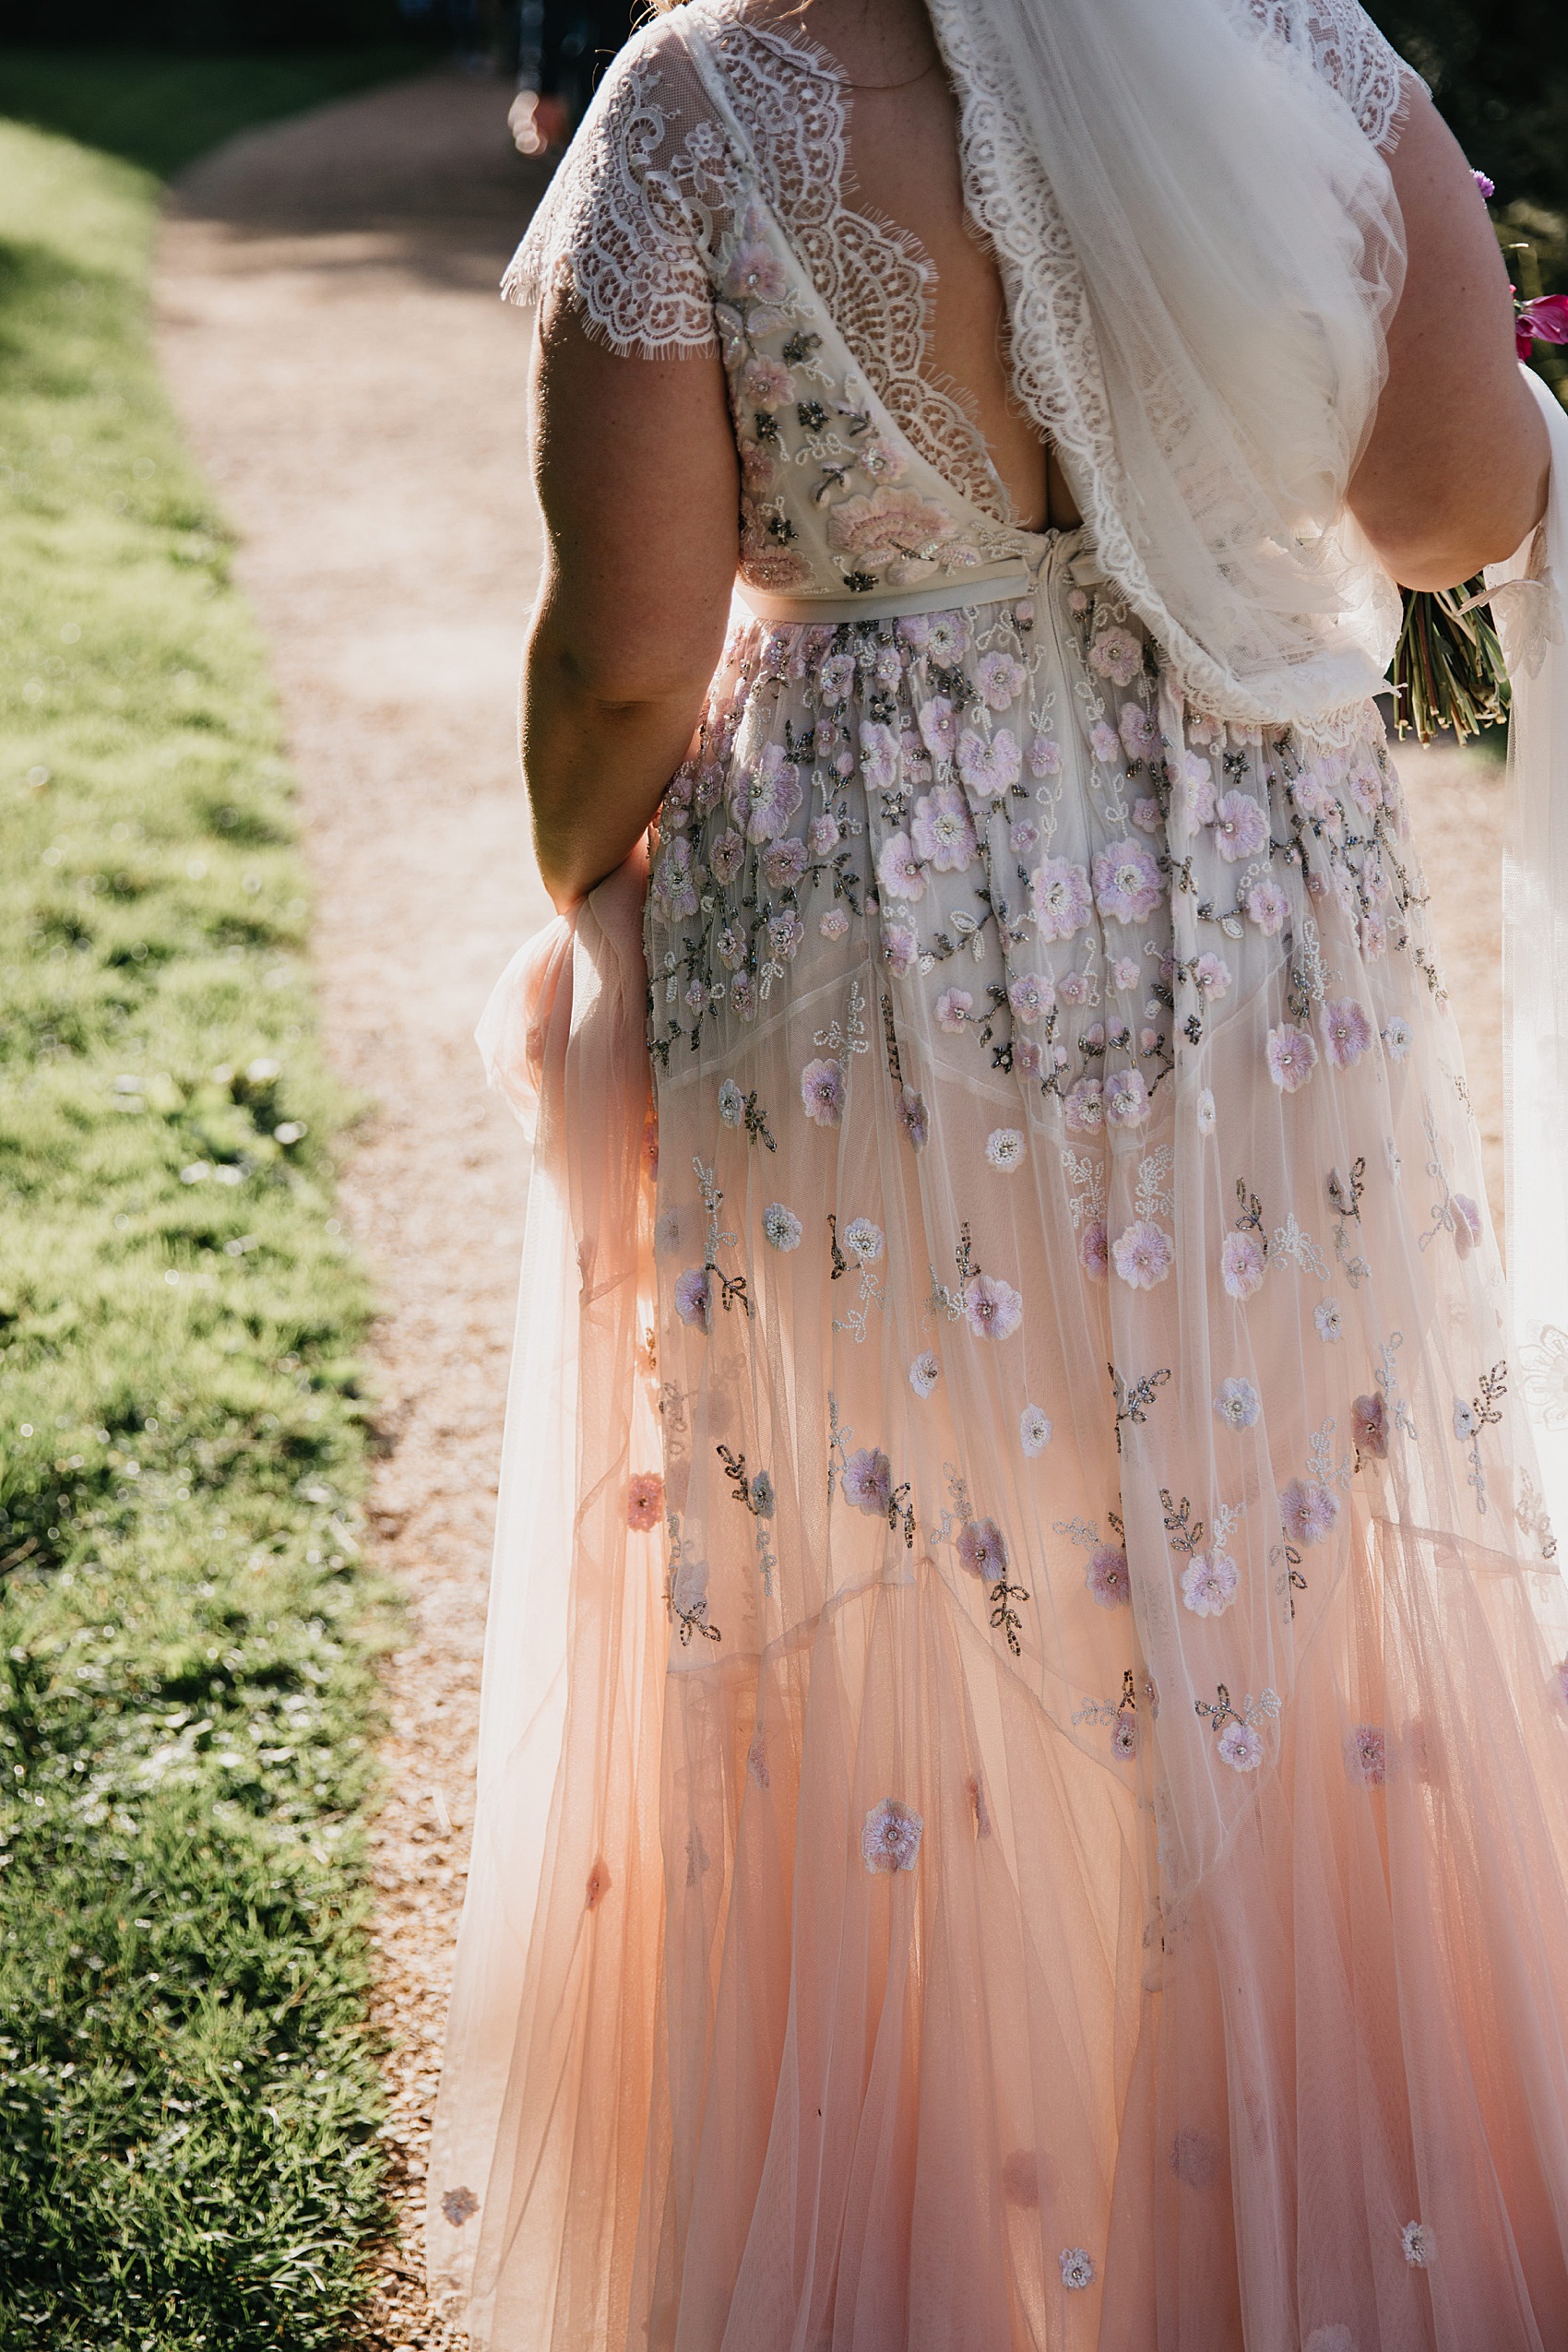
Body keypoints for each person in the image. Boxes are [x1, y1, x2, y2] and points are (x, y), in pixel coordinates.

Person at [429, 0, 1568, 2342]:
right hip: (1251, 903)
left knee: (894, 1573)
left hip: (870, 935)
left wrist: (567, 879)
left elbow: (632, 654)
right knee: (1272, 1541)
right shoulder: (1306, 55)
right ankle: (1298, 2231)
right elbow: (1459, 509)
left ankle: (930, 2247)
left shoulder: (699, 110)